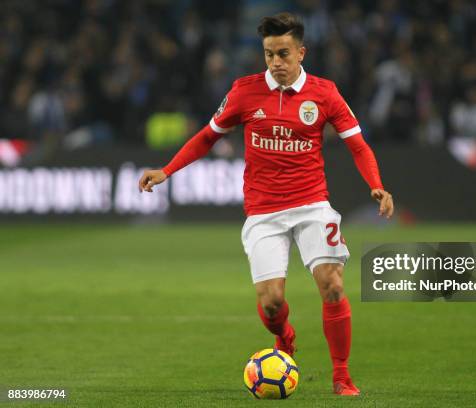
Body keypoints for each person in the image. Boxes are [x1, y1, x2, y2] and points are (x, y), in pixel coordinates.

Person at [138, 12, 393, 396]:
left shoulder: (324, 93)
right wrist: (167, 170)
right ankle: (285, 338)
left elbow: (357, 145)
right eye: (269, 54)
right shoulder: (244, 91)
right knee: (272, 303)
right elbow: (207, 137)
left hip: (312, 205)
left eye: (284, 54)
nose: (276, 62)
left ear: (301, 53)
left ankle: (341, 375)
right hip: (263, 211)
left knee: (333, 285)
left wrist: (376, 185)